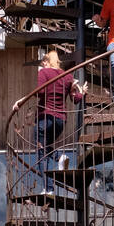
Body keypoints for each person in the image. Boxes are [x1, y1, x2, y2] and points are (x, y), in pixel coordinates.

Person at [22, 49, 86, 195]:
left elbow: (40, 93)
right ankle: (59, 157)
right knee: (45, 148)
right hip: (60, 121)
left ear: (47, 61)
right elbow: (75, 99)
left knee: (41, 153)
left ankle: (49, 189)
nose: (42, 65)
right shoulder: (68, 76)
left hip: (45, 118)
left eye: (43, 62)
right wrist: (82, 92)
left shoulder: (43, 73)